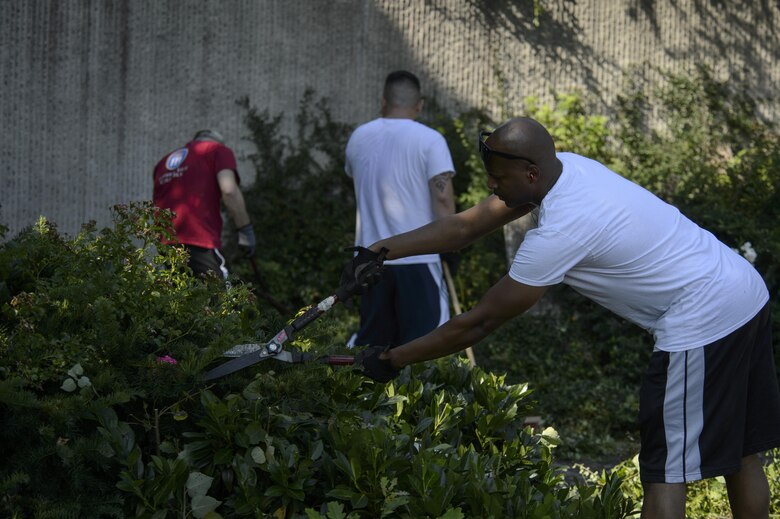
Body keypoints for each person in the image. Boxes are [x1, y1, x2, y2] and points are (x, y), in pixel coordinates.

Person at [347, 117, 780, 518]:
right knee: (742, 452)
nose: (492, 186)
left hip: (704, 320)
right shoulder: (566, 169)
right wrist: (380, 251)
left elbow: (478, 323)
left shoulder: (560, 230)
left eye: (498, 178)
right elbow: (465, 228)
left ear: (531, 174)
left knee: (666, 470)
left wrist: (393, 360)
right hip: (742, 290)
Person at [344, 70, 457, 348]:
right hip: (419, 258)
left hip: (371, 259)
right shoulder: (431, 140)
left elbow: (355, 182)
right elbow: (443, 200)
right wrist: (452, 245)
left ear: (383, 101)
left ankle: (368, 393)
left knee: (374, 348)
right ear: (419, 104)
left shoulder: (359, 137)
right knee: (427, 346)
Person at [153, 129, 255, 279]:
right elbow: (229, 190)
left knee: (182, 299)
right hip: (199, 240)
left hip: (166, 244)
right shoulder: (218, 150)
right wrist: (245, 230)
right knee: (225, 299)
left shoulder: (163, 163)